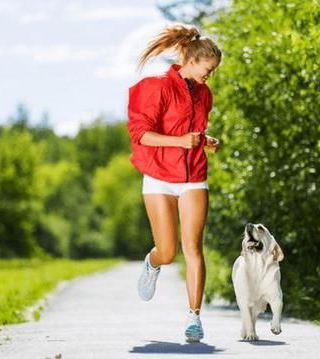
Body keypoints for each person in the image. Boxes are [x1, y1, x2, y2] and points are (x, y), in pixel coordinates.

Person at [126, 24, 222, 343]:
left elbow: (191, 133)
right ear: (192, 61)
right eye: (208, 70)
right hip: (158, 176)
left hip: (193, 175)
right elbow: (142, 135)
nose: (210, 76)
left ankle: (194, 318)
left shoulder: (204, 94)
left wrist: (204, 141)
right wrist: (181, 141)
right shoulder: (156, 88)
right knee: (168, 252)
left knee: (193, 247)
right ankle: (152, 263)